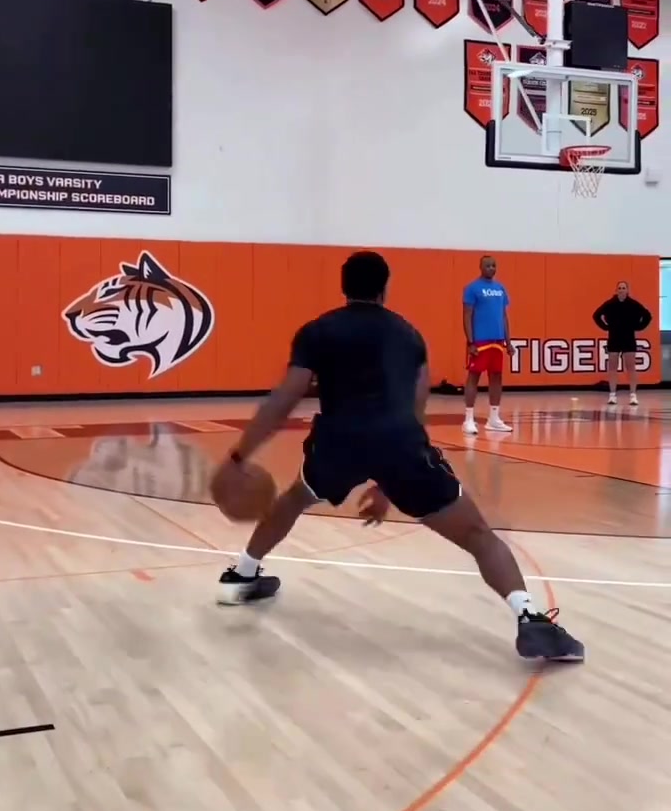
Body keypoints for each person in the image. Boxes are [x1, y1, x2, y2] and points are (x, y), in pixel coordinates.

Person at [213, 251, 583, 662]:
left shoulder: (317, 331)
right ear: (384, 289)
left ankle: (242, 575)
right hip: (401, 444)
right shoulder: (409, 335)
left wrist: (239, 455)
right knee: (478, 534)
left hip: (338, 444)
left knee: (294, 498)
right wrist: (389, 483)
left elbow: (284, 399)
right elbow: (416, 407)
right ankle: (529, 616)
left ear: (344, 287)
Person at [462, 255, 513, 435]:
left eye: (494, 265)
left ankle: (494, 418)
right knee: (474, 376)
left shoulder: (500, 289)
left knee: (496, 376)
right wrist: (471, 341)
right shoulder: (472, 288)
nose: (491, 268)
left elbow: (504, 316)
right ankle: (468, 419)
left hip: (497, 341)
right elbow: (467, 315)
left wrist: (508, 342)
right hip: (480, 341)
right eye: (488, 266)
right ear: (481, 267)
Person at [593, 281, 652, 406]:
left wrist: (639, 327)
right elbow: (596, 315)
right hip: (614, 338)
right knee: (612, 367)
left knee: (631, 368)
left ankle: (633, 395)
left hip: (628, 338)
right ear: (616, 290)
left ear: (627, 290)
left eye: (623, 288)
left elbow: (647, 316)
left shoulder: (633, 304)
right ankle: (612, 395)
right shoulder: (610, 304)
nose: (621, 290)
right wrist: (605, 327)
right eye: (619, 288)